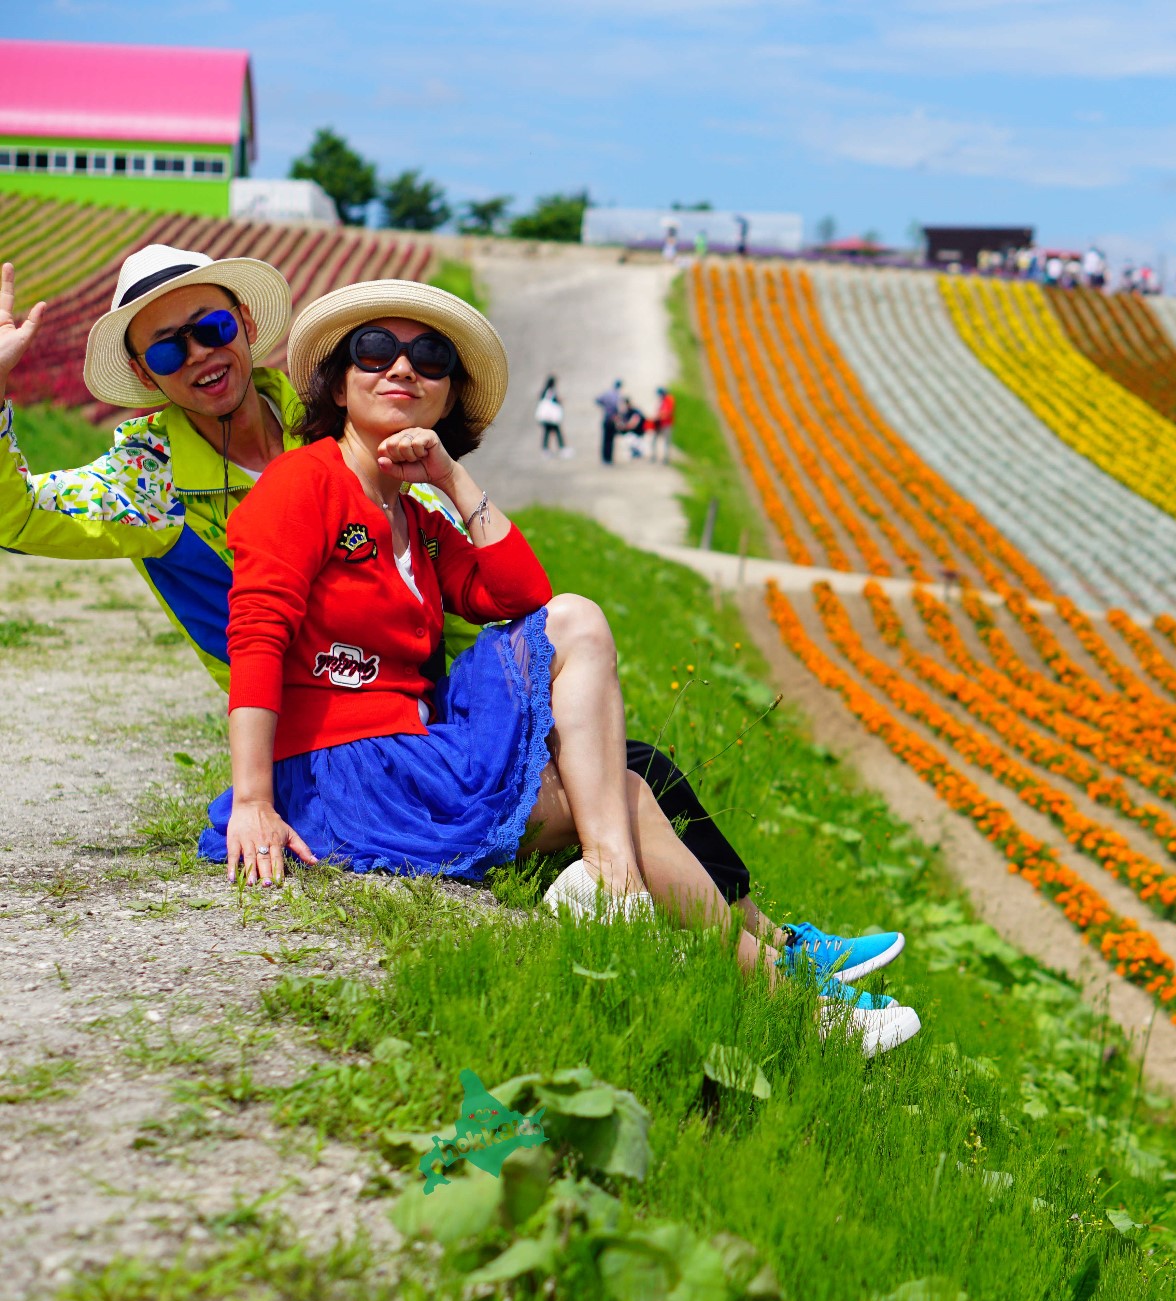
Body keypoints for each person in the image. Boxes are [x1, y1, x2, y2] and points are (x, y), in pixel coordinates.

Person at [0, 249, 882, 1037]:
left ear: (248, 330)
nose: (198, 353)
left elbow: (506, 597)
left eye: (213, 327)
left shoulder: (333, 432)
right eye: (167, 348)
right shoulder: (151, 476)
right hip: (316, 721)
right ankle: (771, 967)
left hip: (400, 694)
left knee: (632, 763)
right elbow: (31, 518)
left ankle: (767, 944)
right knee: (611, 772)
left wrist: (453, 491)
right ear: (146, 375)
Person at [534, 374, 566, 456]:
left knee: (547, 433)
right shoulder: (551, 391)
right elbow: (556, 401)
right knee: (557, 432)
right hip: (551, 417)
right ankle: (562, 448)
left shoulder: (544, 391)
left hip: (545, 417)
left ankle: (545, 449)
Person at [595, 379, 622, 465]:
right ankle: (609, 459)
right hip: (612, 420)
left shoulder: (606, 393)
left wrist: (605, 407)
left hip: (606, 418)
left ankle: (604, 459)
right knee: (610, 441)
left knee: (605, 440)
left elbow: (597, 400)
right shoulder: (617, 395)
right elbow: (616, 408)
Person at [650, 385, 675, 463]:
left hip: (667, 424)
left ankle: (666, 458)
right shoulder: (661, 400)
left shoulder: (669, 399)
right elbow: (658, 411)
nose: (659, 396)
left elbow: (668, 412)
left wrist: (659, 416)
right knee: (654, 440)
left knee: (666, 442)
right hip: (659, 423)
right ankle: (654, 456)